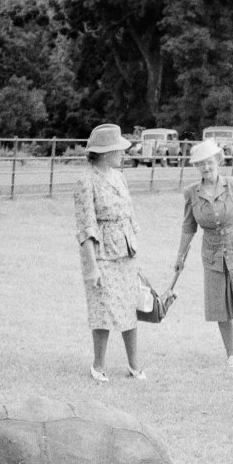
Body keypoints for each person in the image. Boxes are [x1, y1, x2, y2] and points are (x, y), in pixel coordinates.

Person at [171, 139, 233, 369]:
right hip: (212, 254)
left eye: (210, 162)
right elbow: (188, 227)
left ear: (218, 161)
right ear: (196, 168)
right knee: (220, 304)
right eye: (201, 164)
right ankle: (231, 354)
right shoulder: (191, 193)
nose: (206, 168)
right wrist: (180, 256)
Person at [73, 123, 144, 382]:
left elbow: (130, 214)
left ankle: (135, 365)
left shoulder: (120, 176)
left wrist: (134, 249)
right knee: (102, 308)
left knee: (128, 307)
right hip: (101, 252)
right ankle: (98, 365)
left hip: (126, 249)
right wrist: (92, 266)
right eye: (118, 149)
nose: (123, 153)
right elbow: (86, 226)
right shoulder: (86, 180)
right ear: (104, 152)